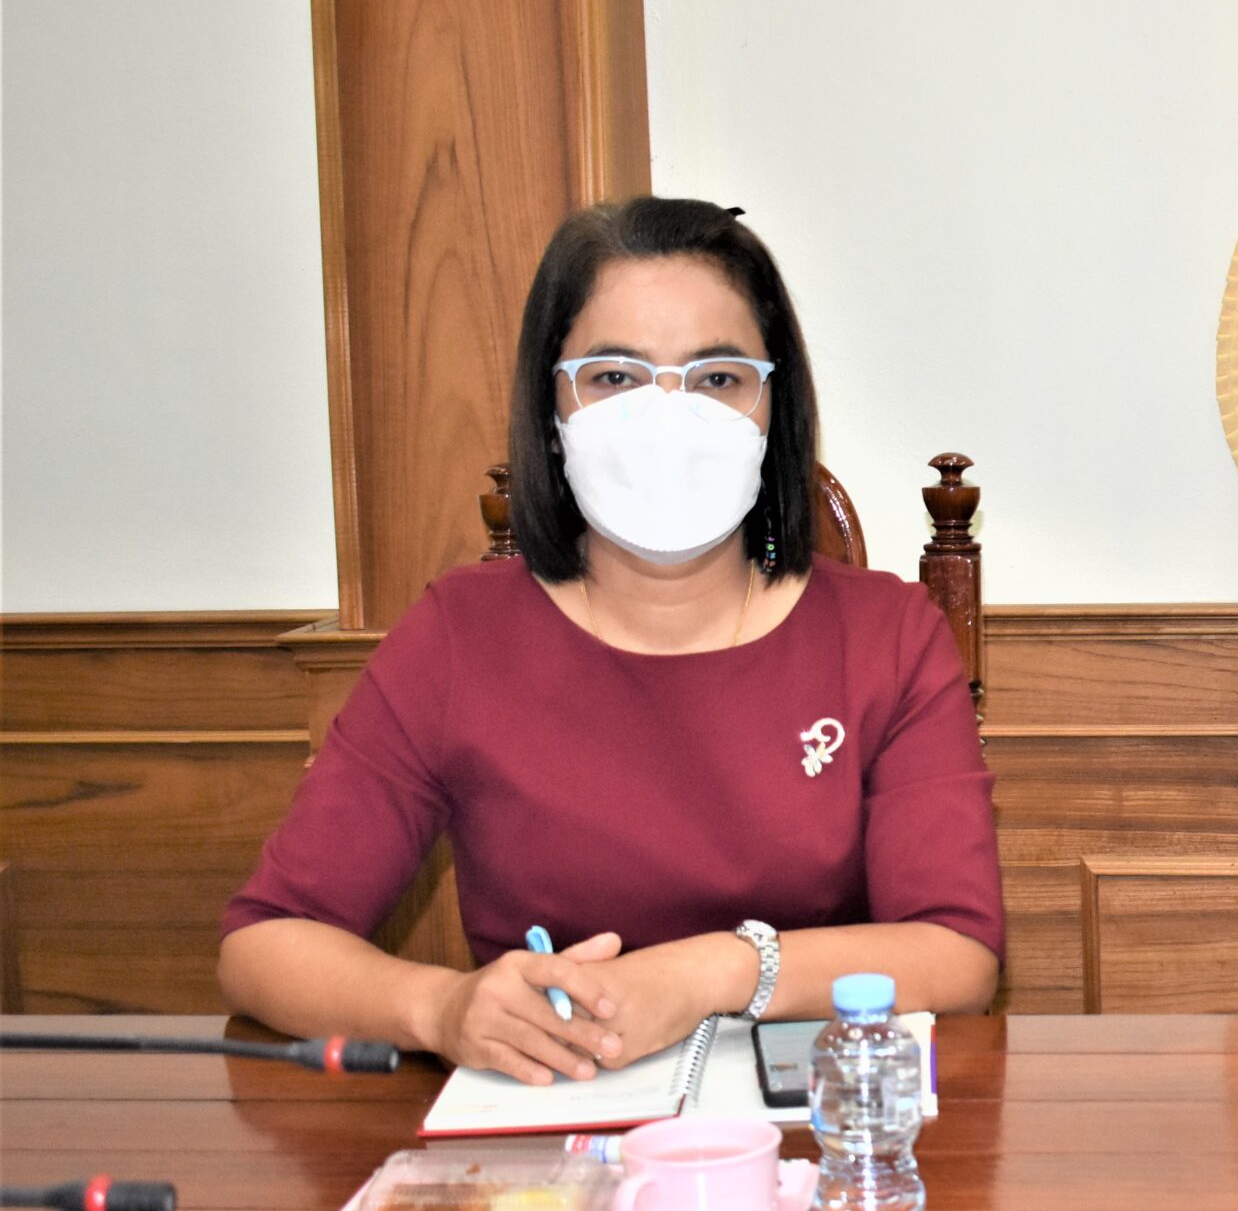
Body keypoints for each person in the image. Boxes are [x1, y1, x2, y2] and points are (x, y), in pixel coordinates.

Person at [220, 198, 1002, 1084]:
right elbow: (265, 943)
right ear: (550, 408)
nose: (667, 417)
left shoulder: (886, 634)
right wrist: (439, 1007)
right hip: (555, 1116)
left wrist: (712, 973)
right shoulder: (458, 636)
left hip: (816, 1128)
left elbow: (958, 955)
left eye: (717, 378)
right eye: (614, 377)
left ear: (773, 408)